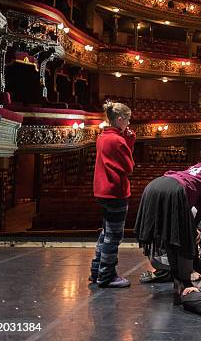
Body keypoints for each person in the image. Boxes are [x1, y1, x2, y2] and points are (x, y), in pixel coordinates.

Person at [134, 144, 201, 304]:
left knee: (171, 236)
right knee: (183, 238)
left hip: (155, 185)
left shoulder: (195, 166)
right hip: (174, 190)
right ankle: (184, 282)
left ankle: (179, 280)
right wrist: (194, 225)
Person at [90, 101, 135, 288]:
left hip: (102, 191)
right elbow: (129, 166)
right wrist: (128, 141)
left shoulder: (102, 136)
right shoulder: (117, 140)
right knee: (114, 236)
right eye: (128, 119)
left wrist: (128, 139)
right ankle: (106, 276)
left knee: (106, 233)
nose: (129, 123)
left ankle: (96, 271)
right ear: (119, 119)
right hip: (115, 191)